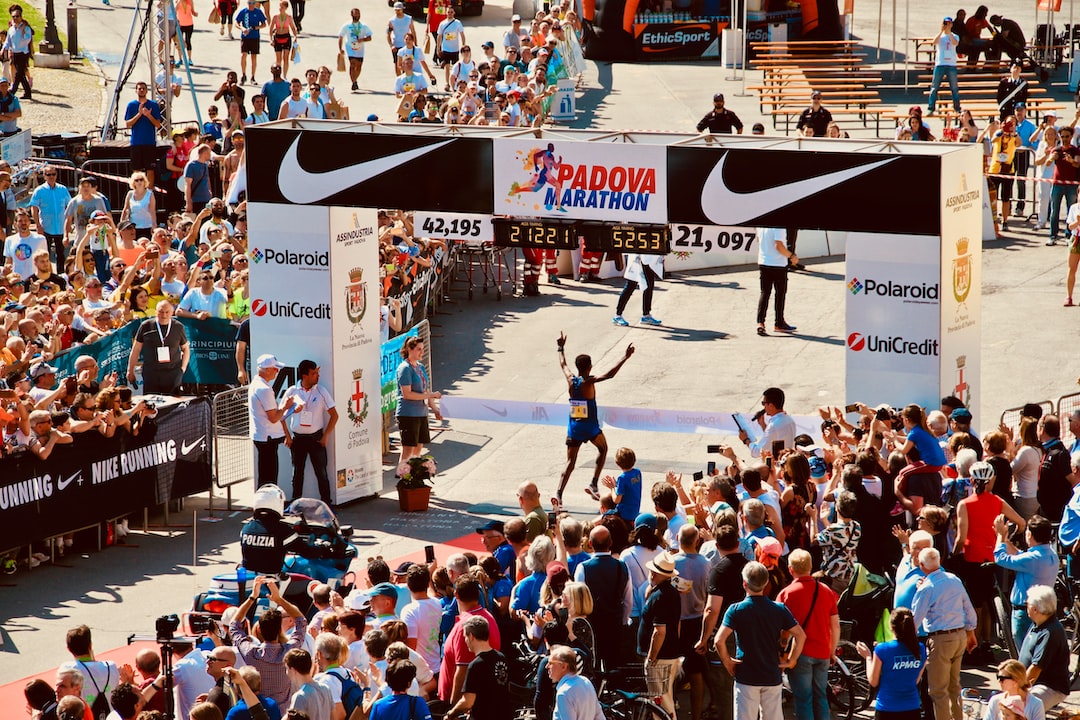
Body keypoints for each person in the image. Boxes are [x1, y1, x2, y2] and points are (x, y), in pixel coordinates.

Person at [716, 561, 805, 720]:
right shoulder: (779, 609)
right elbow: (800, 635)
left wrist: (727, 661)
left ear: (744, 584)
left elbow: (719, 640)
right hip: (771, 673)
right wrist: (792, 660)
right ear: (766, 583)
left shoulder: (736, 610)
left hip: (746, 675)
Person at [555, 332, 634, 501]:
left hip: (574, 426)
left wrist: (561, 347)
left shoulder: (571, 380)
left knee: (570, 462)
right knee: (603, 449)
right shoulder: (588, 381)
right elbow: (609, 375)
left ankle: (559, 494)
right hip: (589, 426)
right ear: (589, 367)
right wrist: (625, 357)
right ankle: (594, 483)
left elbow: (563, 364)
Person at [910, 547, 977, 720]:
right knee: (954, 686)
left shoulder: (926, 588)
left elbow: (915, 619)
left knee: (938, 691)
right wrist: (970, 632)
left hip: (940, 640)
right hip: (959, 635)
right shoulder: (954, 579)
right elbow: (968, 609)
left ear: (922, 565)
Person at [776, 549, 839, 720]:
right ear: (811, 567)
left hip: (800, 654)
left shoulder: (786, 594)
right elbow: (835, 626)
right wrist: (832, 651)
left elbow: (782, 629)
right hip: (823, 652)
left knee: (803, 699)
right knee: (821, 696)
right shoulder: (826, 591)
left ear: (790, 569)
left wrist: (782, 649)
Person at [282, 359, 338, 504]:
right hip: (298, 438)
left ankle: (327, 503)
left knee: (321, 472)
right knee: (297, 472)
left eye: (317, 373)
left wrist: (326, 436)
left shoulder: (321, 391)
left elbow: (334, 415)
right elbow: (281, 416)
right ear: (305, 376)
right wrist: (288, 437)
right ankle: (296, 503)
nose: (317, 376)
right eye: (314, 373)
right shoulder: (292, 391)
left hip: (316, 439)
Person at [854, 608, 926, 720]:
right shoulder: (920, 648)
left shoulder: (882, 649)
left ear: (891, 627)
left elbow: (873, 681)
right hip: (912, 708)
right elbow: (916, 680)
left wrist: (868, 657)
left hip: (887, 708)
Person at [638, 552, 682, 715]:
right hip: (668, 655)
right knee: (664, 700)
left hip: (660, 658)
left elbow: (659, 632)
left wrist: (651, 657)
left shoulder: (660, 596)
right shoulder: (671, 592)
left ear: (654, 573)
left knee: (661, 703)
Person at [444, 616, 510, 720]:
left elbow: (467, 701)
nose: (465, 640)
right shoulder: (502, 658)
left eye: (465, 636)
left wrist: (451, 713)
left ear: (471, 636)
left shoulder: (475, 665)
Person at [1018, 585, 1070, 710]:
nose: (1026, 605)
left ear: (1035, 609)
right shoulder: (1038, 623)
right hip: (1035, 683)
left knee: (1022, 707)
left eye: (1027, 603)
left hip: (1049, 687)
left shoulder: (1049, 632)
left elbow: (1035, 669)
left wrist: (1017, 689)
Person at [395, 336, 441, 474]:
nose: (422, 352)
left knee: (418, 449)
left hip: (421, 413)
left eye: (423, 349)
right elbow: (407, 394)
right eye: (419, 349)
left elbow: (425, 390)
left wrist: (435, 409)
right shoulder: (405, 368)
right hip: (408, 414)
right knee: (408, 449)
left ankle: (415, 480)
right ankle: (404, 480)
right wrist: (430, 396)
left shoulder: (420, 367)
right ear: (410, 349)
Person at [249, 354, 295, 488]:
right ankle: (266, 504)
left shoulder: (257, 384)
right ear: (267, 369)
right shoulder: (264, 389)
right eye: (275, 369)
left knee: (266, 474)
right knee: (269, 476)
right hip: (267, 438)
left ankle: (266, 503)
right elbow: (274, 417)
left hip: (264, 436)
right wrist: (286, 407)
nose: (277, 371)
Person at [126, 301, 190, 394]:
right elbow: (136, 349)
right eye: (161, 312)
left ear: (172, 313)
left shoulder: (178, 327)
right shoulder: (146, 326)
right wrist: (130, 370)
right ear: (156, 312)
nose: (164, 315)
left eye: (167, 312)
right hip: (152, 372)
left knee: (172, 404)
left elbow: (185, 349)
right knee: (151, 402)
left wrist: (182, 369)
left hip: (172, 372)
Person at [754, 227, 798, 336]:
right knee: (780, 294)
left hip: (763, 261)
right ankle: (779, 322)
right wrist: (792, 256)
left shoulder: (760, 226)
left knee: (765, 292)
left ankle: (760, 322)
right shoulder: (779, 227)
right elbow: (779, 246)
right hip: (777, 263)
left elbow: (758, 240)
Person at [545, 645, 603, 720]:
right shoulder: (586, 682)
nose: (547, 666)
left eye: (550, 663)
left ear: (563, 666)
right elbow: (599, 716)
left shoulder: (564, 693)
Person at [29, 164, 71, 266]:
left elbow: (69, 207)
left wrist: (69, 224)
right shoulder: (39, 191)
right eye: (48, 174)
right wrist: (38, 225)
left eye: (53, 174)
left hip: (60, 227)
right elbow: (33, 207)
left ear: (56, 175)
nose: (51, 176)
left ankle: (61, 276)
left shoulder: (63, 189)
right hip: (46, 227)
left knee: (61, 254)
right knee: (45, 254)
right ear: (44, 176)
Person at [1046, 126, 1080, 246]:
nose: (1065, 139)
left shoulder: (1075, 150)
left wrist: (1071, 161)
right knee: (1054, 211)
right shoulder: (1057, 150)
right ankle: (1053, 235)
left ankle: (1068, 234)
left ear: (1071, 137)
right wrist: (1051, 158)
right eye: (1063, 136)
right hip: (1057, 183)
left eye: (1067, 136)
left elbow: (1077, 164)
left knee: (1070, 209)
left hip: (1071, 184)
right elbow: (1048, 161)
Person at [612, 253, 664, 327]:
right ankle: (617, 315)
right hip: (636, 258)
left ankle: (646, 315)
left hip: (649, 258)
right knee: (630, 285)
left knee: (649, 286)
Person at [928, 17, 961, 115]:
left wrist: (949, 32)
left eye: (949, 23)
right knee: (934, 87)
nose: (947, 25)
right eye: (945, 23)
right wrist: (941, 31)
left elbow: (955, 43)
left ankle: (957, 107)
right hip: (940, 63)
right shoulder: (940, 36)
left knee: (954, 87)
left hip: (951, 64)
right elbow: (934, 42)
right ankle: (931, 107)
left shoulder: (955, 36)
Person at [340, 8, 372, 93]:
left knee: (359, 66)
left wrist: (362, 40)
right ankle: (353, 82)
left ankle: (355, 79)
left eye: (358, 14)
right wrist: (340, 49)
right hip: (350, 48)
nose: (357, 15)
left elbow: (369, 37)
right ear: (352, 14)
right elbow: (341, 36)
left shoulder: (363, 26)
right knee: (352, 64)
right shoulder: (346, 25)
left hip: (360, 49)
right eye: (355, 14)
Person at [4, 5, 32, 99]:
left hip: (23, 53)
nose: (15, 18)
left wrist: (23, 32)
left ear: (21, 17)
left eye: (17, 16)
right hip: (15, 53)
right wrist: (4, 49)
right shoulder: (11, 29)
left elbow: (27, 40)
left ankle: (12, 91)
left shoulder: (26, 28)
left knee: (18, 74)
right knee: (21, 74)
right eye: (13, 17)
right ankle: (28, 93)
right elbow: (8, 41)